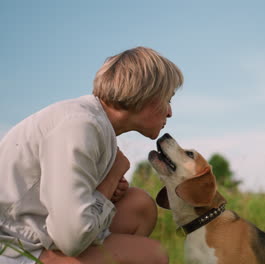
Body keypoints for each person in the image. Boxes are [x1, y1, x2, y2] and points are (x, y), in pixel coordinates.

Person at [0, 46, 183, 263]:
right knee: (152, 255)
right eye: (168, 99)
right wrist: (112, 177)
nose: (170, 112)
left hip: (44, 228)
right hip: (14, 244)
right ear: (147, 95)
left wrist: (105, 184)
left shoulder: (95, 124)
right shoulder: (79, 127)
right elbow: (71, 238)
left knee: (139, 204)